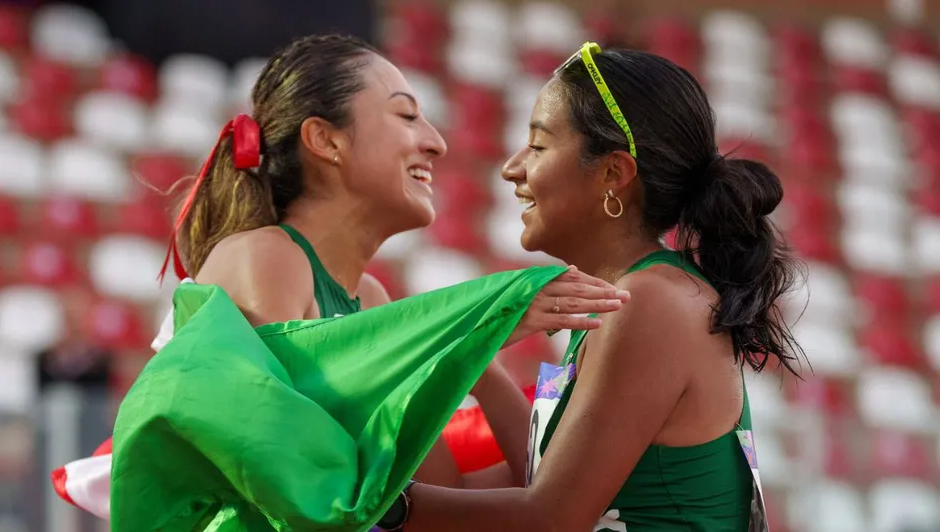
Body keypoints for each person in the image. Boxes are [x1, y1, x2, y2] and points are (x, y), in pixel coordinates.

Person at [96, 34, 631, 531]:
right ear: (325, 139)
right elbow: (294, 475)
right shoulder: (265, 257)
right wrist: (461, 326)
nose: (437, 143)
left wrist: (478, 355)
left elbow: (442, 495)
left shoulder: (370, 298)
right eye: (406, 115)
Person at [382, 42, 805, 532]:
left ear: (612, 174)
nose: (512, 168)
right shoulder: (630, 298)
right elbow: (526, 488)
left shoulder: (650, 303)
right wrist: (476, 362)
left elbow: (551, 517)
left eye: (538, 146)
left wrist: (371, 508)